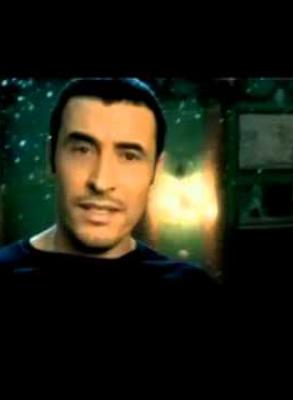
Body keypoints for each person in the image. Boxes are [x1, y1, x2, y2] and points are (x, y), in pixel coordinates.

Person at [0, 78, 221, 322]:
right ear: (50, 158)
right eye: (82, 150)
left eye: (129, 156)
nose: (101, 182)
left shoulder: (192, 293)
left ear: (155, 171)